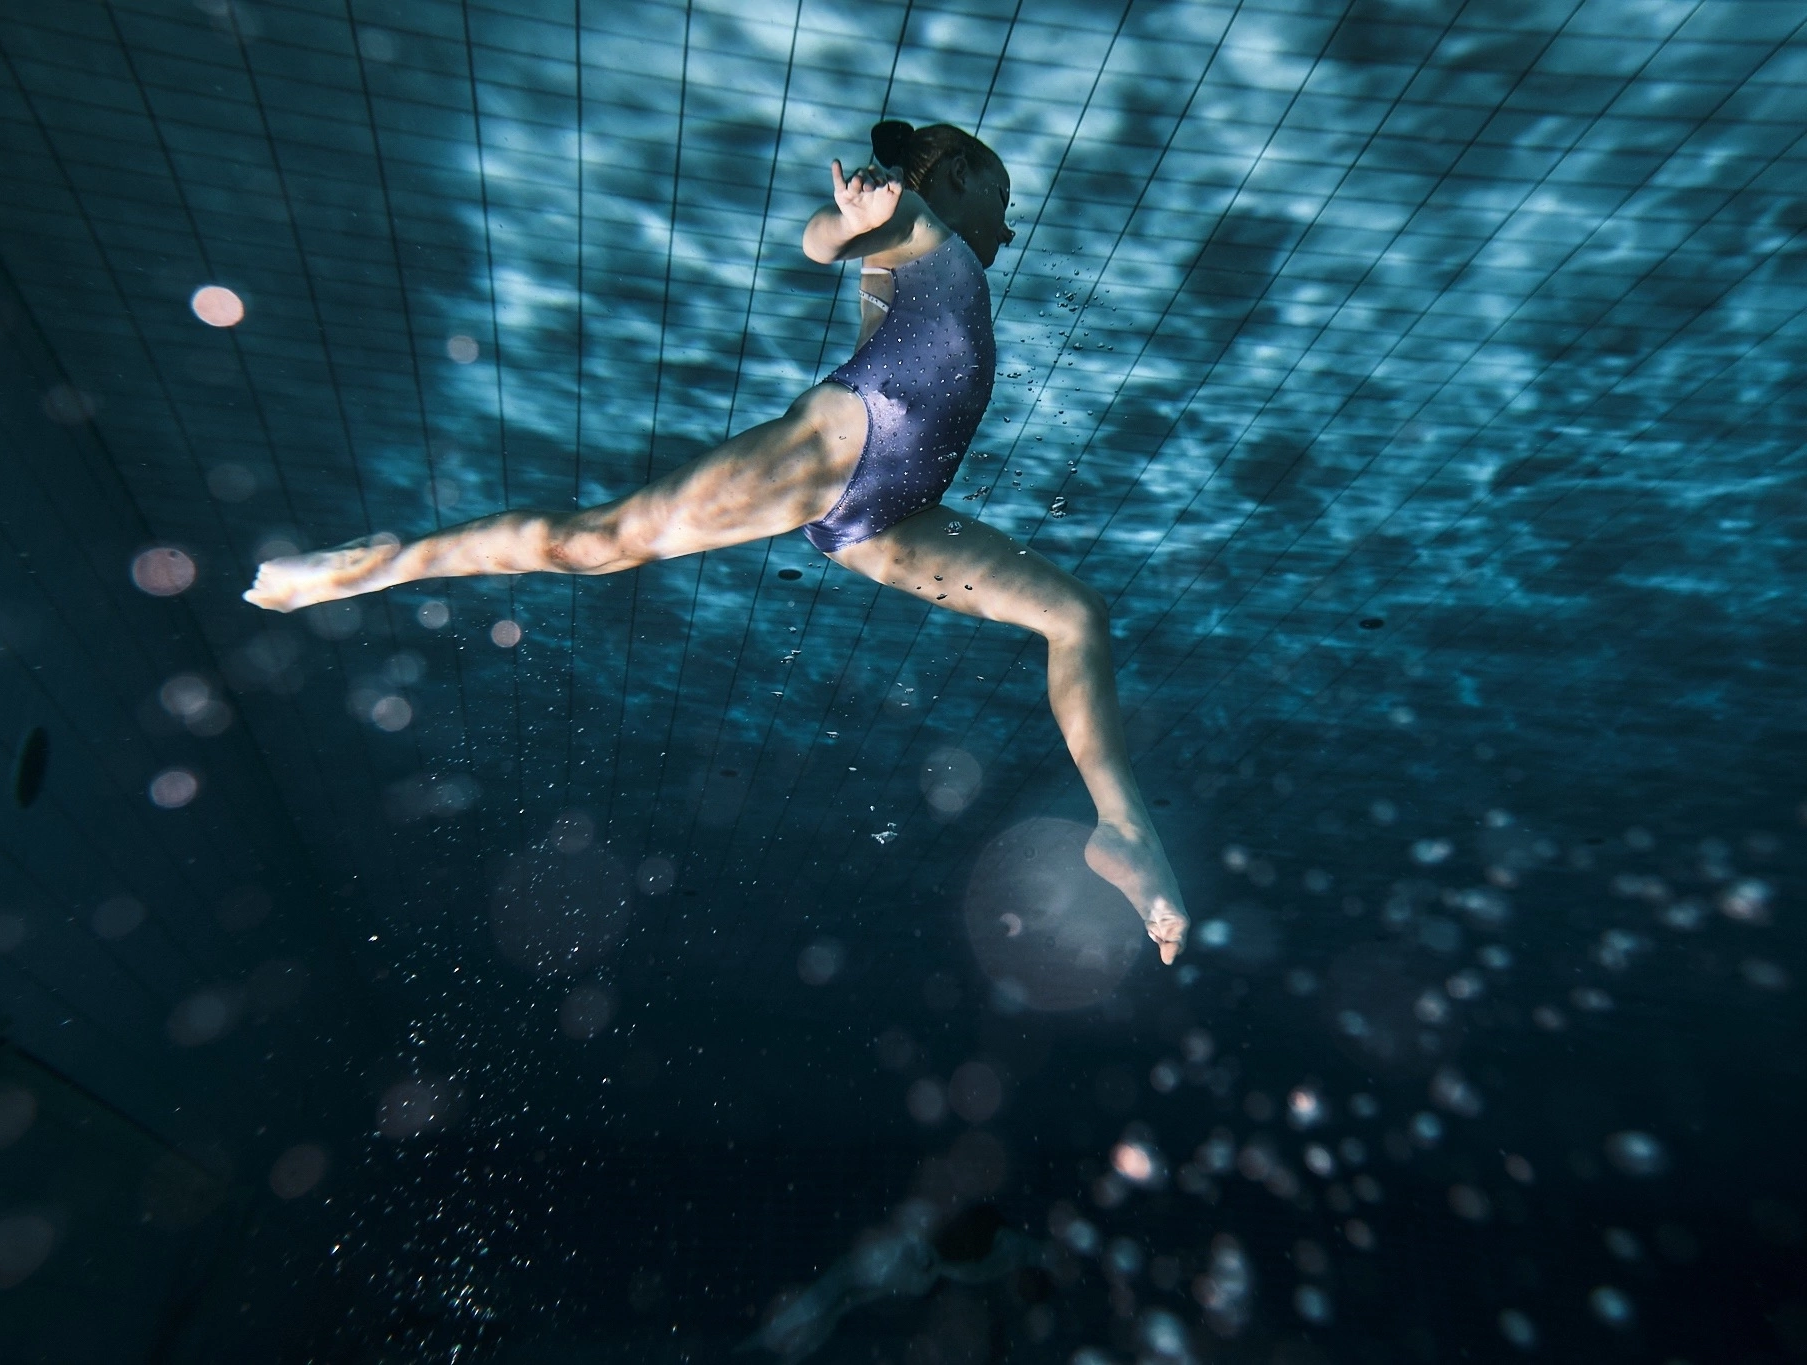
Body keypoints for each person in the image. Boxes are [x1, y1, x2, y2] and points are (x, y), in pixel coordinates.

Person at [243, 120, 1188, 963]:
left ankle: (1122, 824)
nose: (1011, 230)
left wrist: (858, 228)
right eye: (1003, 202)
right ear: (961, 182)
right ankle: (377, 563)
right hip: (839, 448)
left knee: (1074, 616)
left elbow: (856, 253)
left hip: (892, 511)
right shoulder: (919, 233)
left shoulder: (920, 254)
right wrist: (850, 218)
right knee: (597, 541)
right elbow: (828, 242)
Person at [739, 1203, 1051, 1363]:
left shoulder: (995, 1263)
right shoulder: (1006, 1250)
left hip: (920, 1268)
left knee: (839, 1296)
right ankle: (771, 1341)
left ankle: (775, 1343)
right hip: (918, 1262)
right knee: (836, 1294)